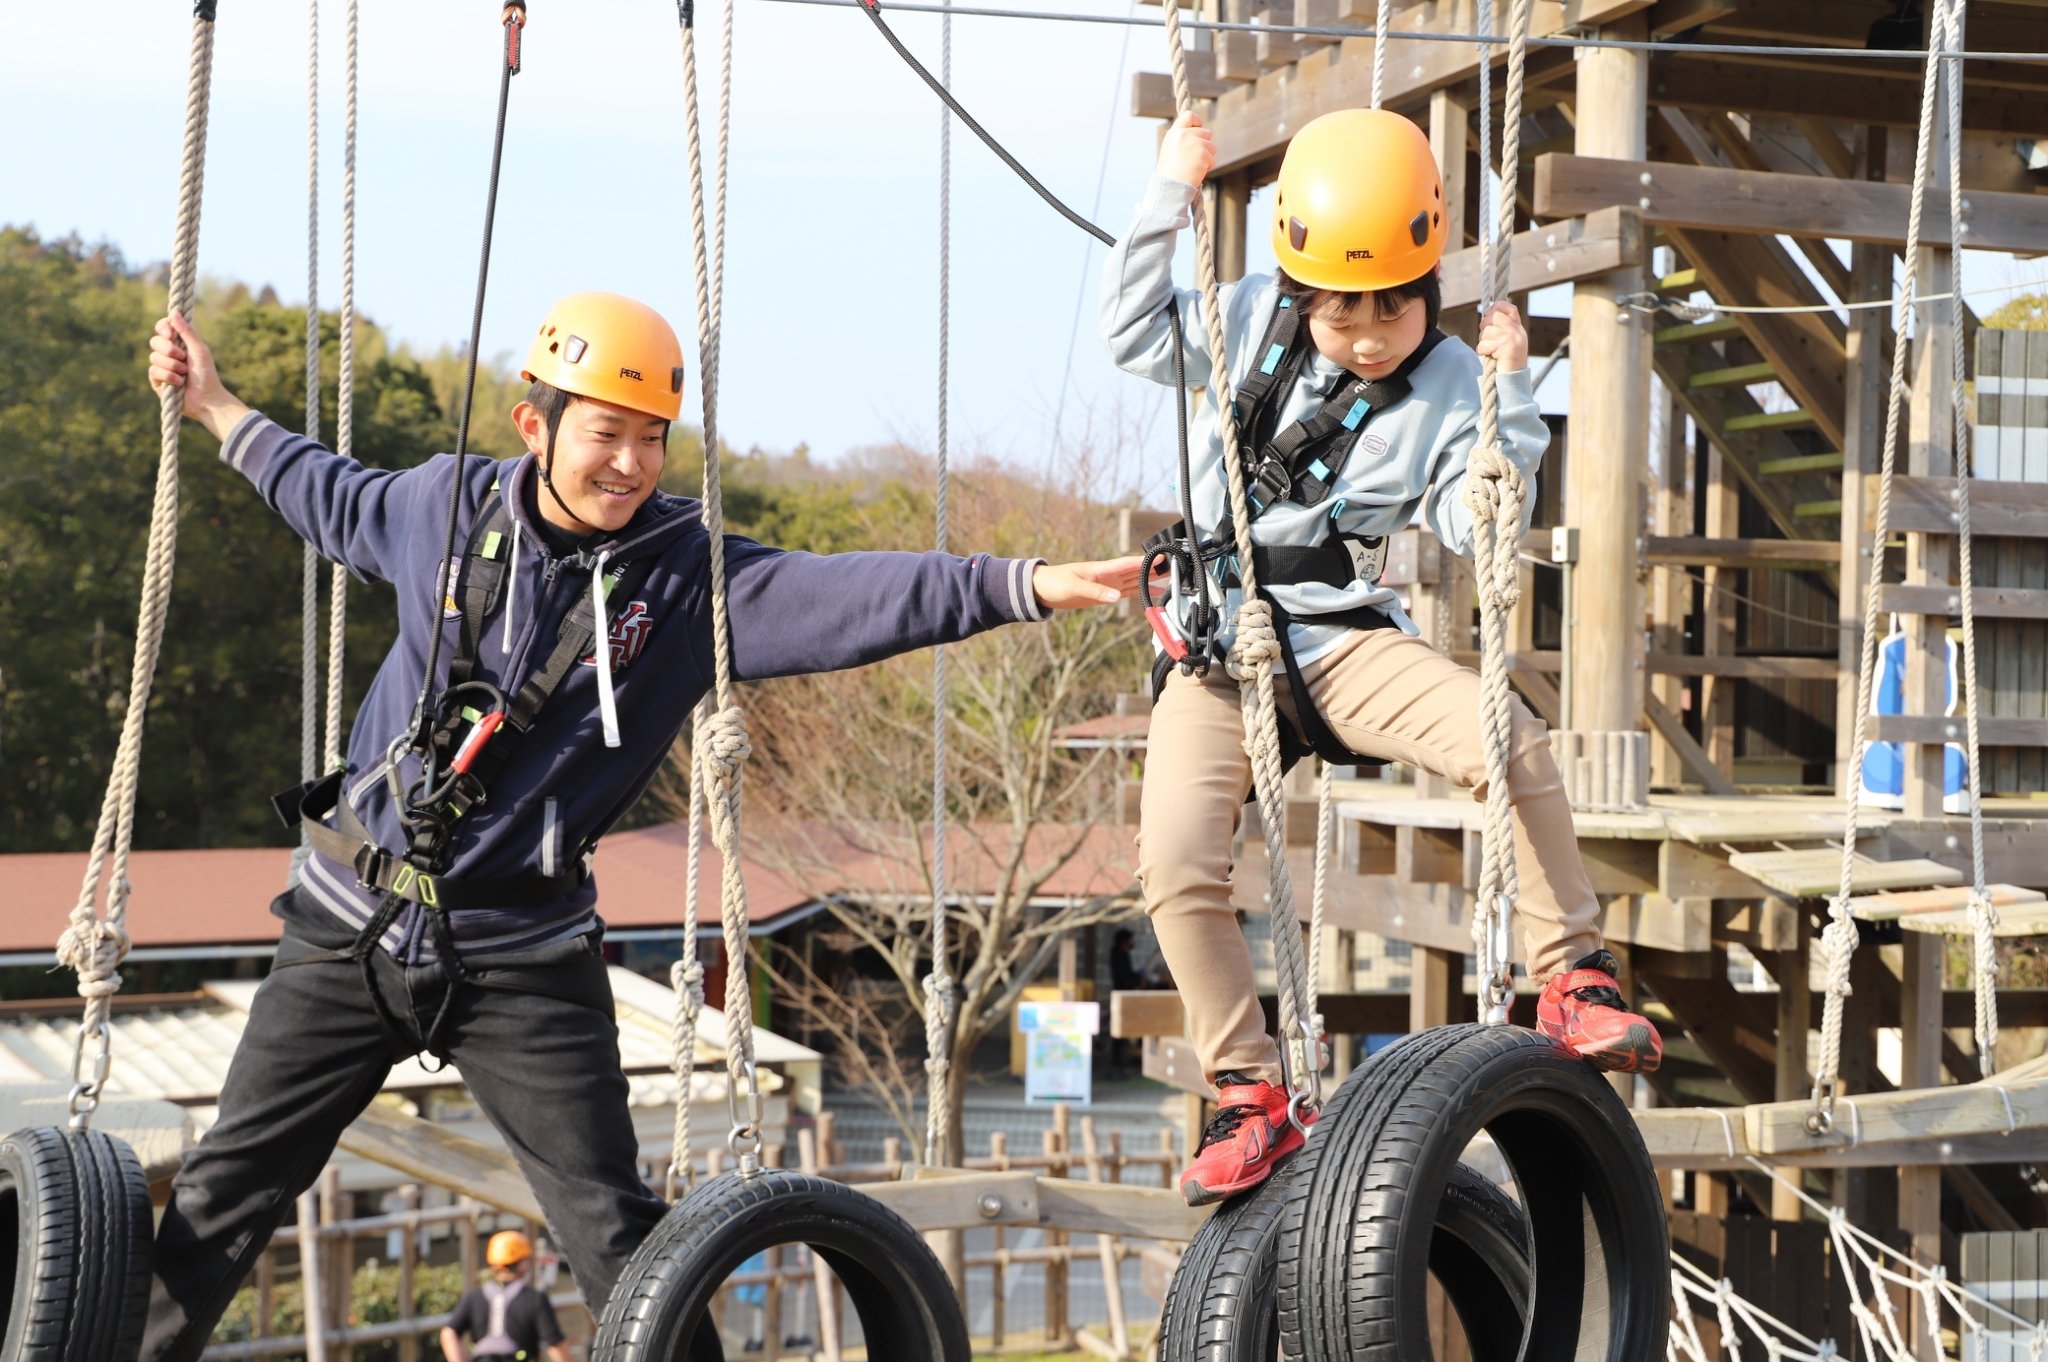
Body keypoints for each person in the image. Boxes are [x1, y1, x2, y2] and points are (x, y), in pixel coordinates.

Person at [142, 292, 1148, 1357]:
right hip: (352, 923)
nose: (628, 464)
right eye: (604, 435)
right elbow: (317, 488)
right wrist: (213, 405)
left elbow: (853, 595)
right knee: (222, 1197)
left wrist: (1022, 584)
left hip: (521, 955)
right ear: (535, 429)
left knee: (619, 1236)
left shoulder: (685, 582)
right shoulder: (441, 510)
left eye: (650, 440)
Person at [1100, 108, 1664, 1208]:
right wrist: (1169, 187)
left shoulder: (1452, 379)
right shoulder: (1245, 320)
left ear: (1429, 285)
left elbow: (1476, 526)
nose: (1365, 335)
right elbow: (1129, 332)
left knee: (1503, 737)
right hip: (1219, 652)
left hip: (1339, 636)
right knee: (1171, 862)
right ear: (1300, 290)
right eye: (1339, 312)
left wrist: (1510, 406)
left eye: (1392, 308)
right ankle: (1246, 1090)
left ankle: (1571, 976)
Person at [441, 1232, 572, 1362]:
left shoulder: (475, 1297)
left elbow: (448, 1334)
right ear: (523, 1264)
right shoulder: (534, 1298)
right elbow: (556, 1346)